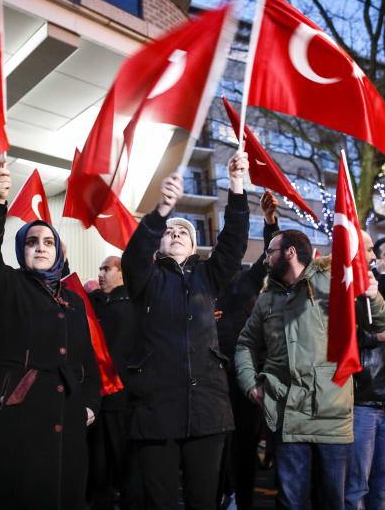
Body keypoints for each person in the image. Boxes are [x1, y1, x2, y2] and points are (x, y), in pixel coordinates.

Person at [0, 162, 101, 509]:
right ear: (21, 249)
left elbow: (86, 362)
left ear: (59, 251)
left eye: (49, 242)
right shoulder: (8, 285)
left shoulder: (74, 301)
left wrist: (91, 403)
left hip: (65, 415)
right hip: (14, 413)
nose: (40, 247)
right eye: (32, 241)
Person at [120, 153, 250, 509]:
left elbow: (234, 242)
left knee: (204, 500)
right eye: (169, 232)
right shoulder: (145, 278)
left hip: (207, 409)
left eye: (184, 232)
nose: (175, 234)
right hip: (156, 409)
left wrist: (236, 187)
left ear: (194, 246)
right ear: (159, 244)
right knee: (159, 500)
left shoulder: (208, 276)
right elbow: (133, 256)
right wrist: (161, 210)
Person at [236, 230, 385, 510]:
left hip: (330, 414)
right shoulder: (266, 299)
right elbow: (245, 343)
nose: (266, 258)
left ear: (290, 253)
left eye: (270, 251)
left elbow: (378, 326)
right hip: (286, 415)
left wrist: (373, 296)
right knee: (290, 501)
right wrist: (250, 384)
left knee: (332, 500)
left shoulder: (333, 282)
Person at [215, 191, 280, 509]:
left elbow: (270, 258)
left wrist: (270, 223)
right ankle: (221, 495)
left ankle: (243, 499)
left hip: (244, 379)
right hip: (209, 380)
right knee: (215, 448)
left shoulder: (245, 281)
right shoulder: (200, 283)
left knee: (244, 445)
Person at [345, 231, 385, 510]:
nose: (373, 257)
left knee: (384, 481)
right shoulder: (342, 287)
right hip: (363, 398)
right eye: (368, 250)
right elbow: (335, 338)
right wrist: (373, 337)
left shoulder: (376, 285)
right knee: (356, 484)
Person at [87, 256, 137, 509]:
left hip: (122, 398)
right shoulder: (97, 303)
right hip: (97, 399)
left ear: (121, 273)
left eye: (107, 268)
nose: (101, 273)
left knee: (122, 461)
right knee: (98, 463)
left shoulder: (134, 304)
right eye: (100, 269)